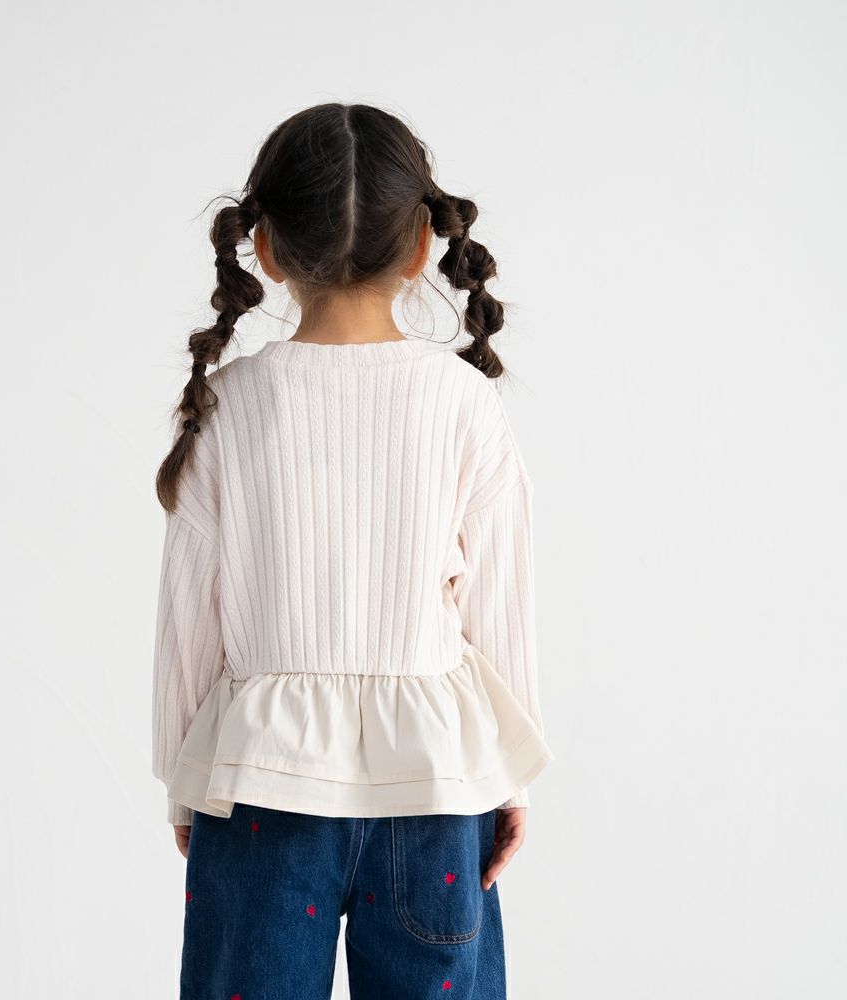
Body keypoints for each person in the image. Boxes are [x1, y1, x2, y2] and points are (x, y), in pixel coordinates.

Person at [150, 102, 553, 999]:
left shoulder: (227, 406)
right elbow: (501, 607)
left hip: (261, 784)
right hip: (434, 787)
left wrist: (185, 780)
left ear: (265, 249)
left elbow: (187, 618)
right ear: (420, 247)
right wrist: (510, 781)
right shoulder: (466, 402)